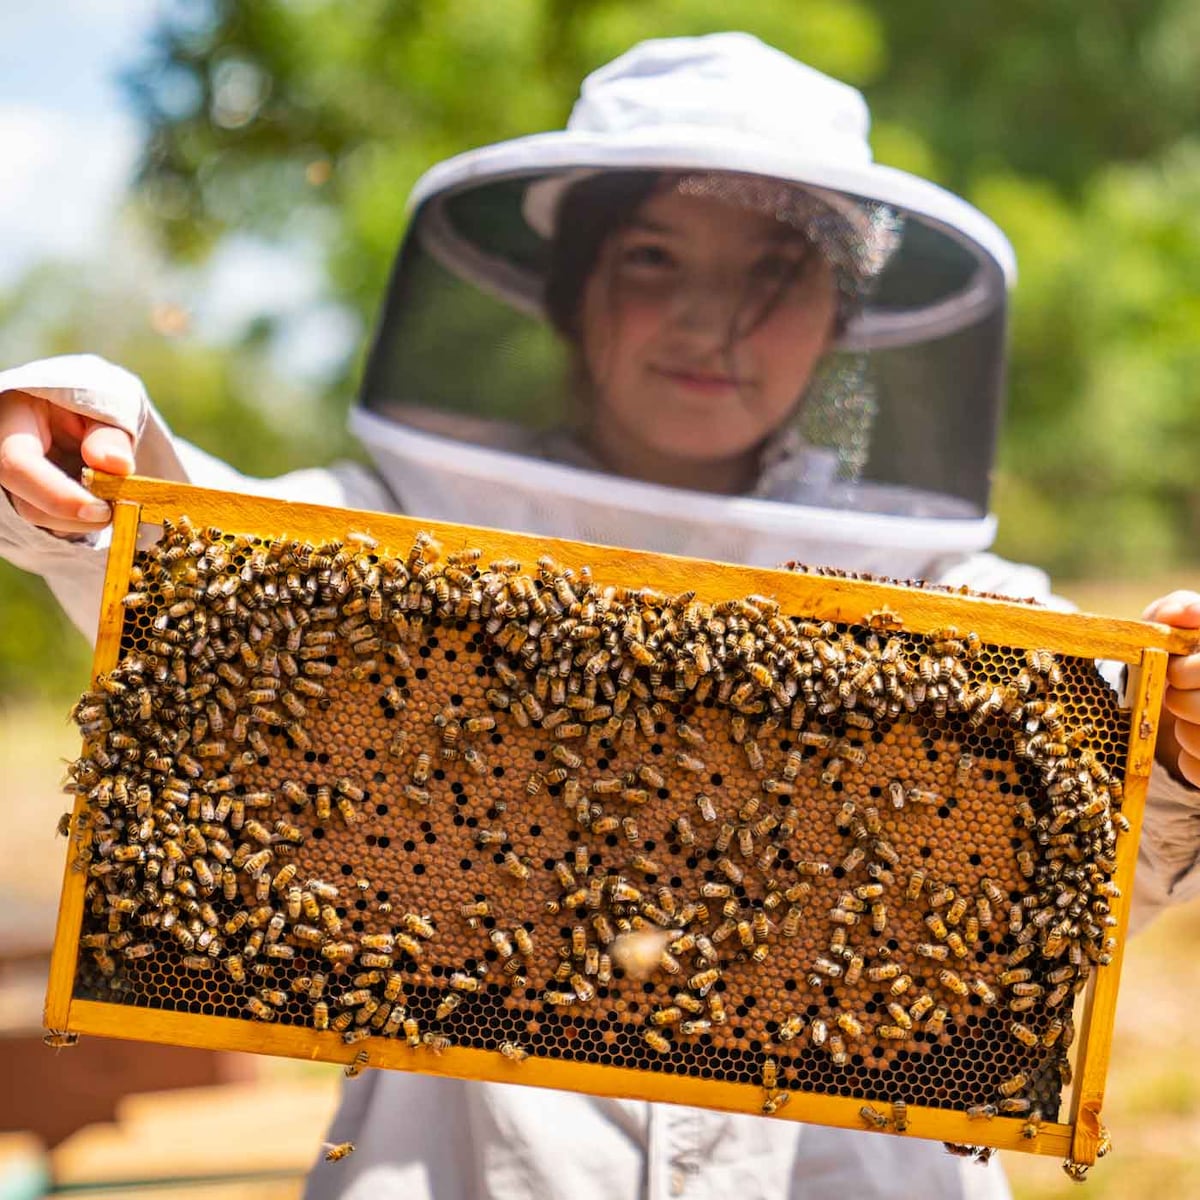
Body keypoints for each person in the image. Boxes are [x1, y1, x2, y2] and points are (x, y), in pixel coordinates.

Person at [2, 32, 1199, 1200]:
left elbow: (1088, 868)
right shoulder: (401, 542)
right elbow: (186, 550)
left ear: (840, 319)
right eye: (653, 259)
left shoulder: (955, 607)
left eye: (773, 272)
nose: (710, 319)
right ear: (574, 293)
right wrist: (75, 459)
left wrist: (1184, 748)